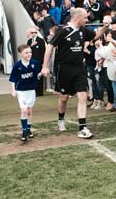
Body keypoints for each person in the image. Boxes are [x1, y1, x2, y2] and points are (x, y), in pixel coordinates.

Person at [41, 8, 106, 139]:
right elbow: (49, 46)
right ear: (77, 18)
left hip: (79, 68)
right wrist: (44, 66)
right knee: (64, 98)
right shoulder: (63, 31)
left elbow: (95, 36)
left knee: (82, 96)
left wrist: (106, 26)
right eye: (85, 18)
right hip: (64, 69)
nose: (87, 20)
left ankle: (82, 128)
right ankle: (61, 119)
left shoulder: (82, 30)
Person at [9, 44, 42, 142]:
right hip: (21, 91)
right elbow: (12, 79)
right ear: (21, 54)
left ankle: (28, 129)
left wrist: (43, 73)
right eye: (26, 52)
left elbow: (37, 75)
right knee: (23, 110)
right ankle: (24, 131)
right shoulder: (17, 65)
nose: (29, 54)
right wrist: (13, 90)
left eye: (30, 52)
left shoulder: (34, 63)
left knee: (29, 111)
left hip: (31, 90)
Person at [26, 27, 46, 96]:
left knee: (39, 76)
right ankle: (34, 90)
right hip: (31, 62)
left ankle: (39, 92)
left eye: (35, 32)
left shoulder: (40, 40)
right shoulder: (29, 41)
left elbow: (43, 52)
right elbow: (26, 50)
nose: (33, 34)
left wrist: (44, 63)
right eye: (32, 32)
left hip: (38, 62)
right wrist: (31, 46)